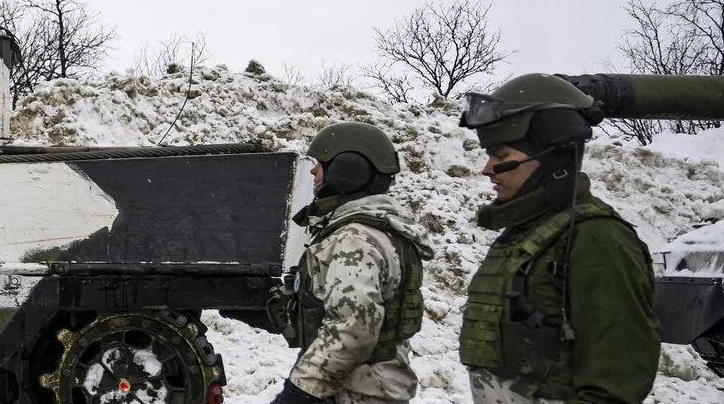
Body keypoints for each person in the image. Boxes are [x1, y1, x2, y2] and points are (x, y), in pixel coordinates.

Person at [455, 74, 660, 404]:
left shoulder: (597, 237)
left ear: (554, 155)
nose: (487, 169)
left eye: (501, 155)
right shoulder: (528, 233)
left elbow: (615, 385)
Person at [268, 122, 430, 404]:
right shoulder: (380, 230)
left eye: (319, 165)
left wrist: (300, 391)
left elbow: (353, 328)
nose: (313, 172)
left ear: (347, 170)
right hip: (372, 386)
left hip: (356, 393)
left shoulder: (354, 239)